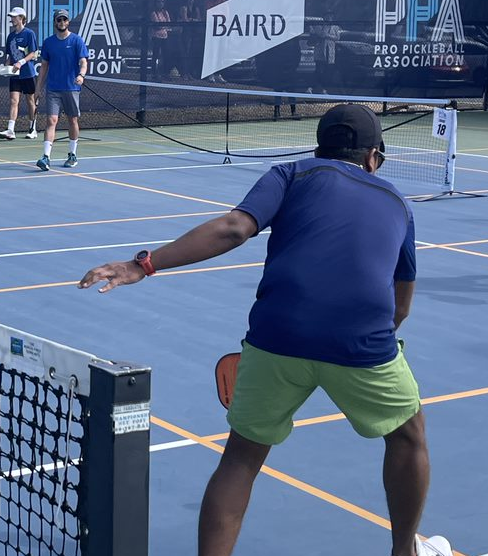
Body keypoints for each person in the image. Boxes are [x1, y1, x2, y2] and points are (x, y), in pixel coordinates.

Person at [78, 104, 451, 556]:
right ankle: (404, 552)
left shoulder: (292, 173)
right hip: (362, 341)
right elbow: (402, 303)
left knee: (241, 456)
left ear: (321, 146)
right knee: (409, 435)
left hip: (278, 334)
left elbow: (235, 228)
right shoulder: (397, 203)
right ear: (373, 157)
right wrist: (365, 339)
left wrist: (145, 263)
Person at [35, 9, 88, 170]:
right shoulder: (49, 43)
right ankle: (45, 157)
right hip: (53, 89)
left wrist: (81, 75)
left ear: (68, 22)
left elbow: (83, 62)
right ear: (55, 23)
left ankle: (72, 154)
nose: (62, 23)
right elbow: (44, 67)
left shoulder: (77, 41)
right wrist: (38, 88)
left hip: (71, 88)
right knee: (51, 120)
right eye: (59, 20)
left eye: (64, 20)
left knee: (72, 120)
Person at [0, 6, 39, 140]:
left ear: (21, 18)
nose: (12, 19)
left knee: (30, 100)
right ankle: (10, 130)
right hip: (15, 75)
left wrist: (21, 62)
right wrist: (5, 66)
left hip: (27, 73)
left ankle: (33, 129)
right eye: (11, 17)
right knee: (14, 100)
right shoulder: (11, 36)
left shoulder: (29, 34)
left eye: (14, 17)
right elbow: (9, 56)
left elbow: (33, 53)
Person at [309, 12, 341, 94]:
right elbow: (322, 34)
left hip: (330, 52)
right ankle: (311, 87)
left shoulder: (336, 27)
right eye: (327, 16)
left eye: (331, 16)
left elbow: (337, 37)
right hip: (320, 52)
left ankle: (324, 89)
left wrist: (328, 36)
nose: (329, 18)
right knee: (318, 70)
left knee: (328, 71)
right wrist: (328, 34)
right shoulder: (320, 26)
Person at [150, 0, 172, 78]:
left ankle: (165, 73)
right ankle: (154, 73)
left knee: (166, 55)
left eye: (162, 1)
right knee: (155, 55)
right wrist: (164, 26)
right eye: (159, 1)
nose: (160, 3)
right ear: (156, 3)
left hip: (165, 37)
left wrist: (163, 26)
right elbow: (157, 25)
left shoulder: (165, 12)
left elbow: (169, 23)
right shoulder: (153, 13)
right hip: (156, 37)